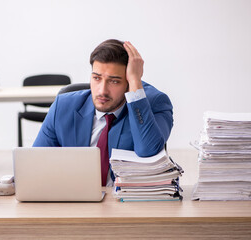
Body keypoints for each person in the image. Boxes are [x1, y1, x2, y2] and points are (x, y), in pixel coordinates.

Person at [33, 39, 173, 186]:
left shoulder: (155, 103)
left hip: (126, 204)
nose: (102, 91)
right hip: (73, 201)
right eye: (96, 78)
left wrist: (135, 82)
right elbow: (36, 164)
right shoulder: (63, 106)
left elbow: (147, 150)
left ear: (128, 82)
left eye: (114, 81)